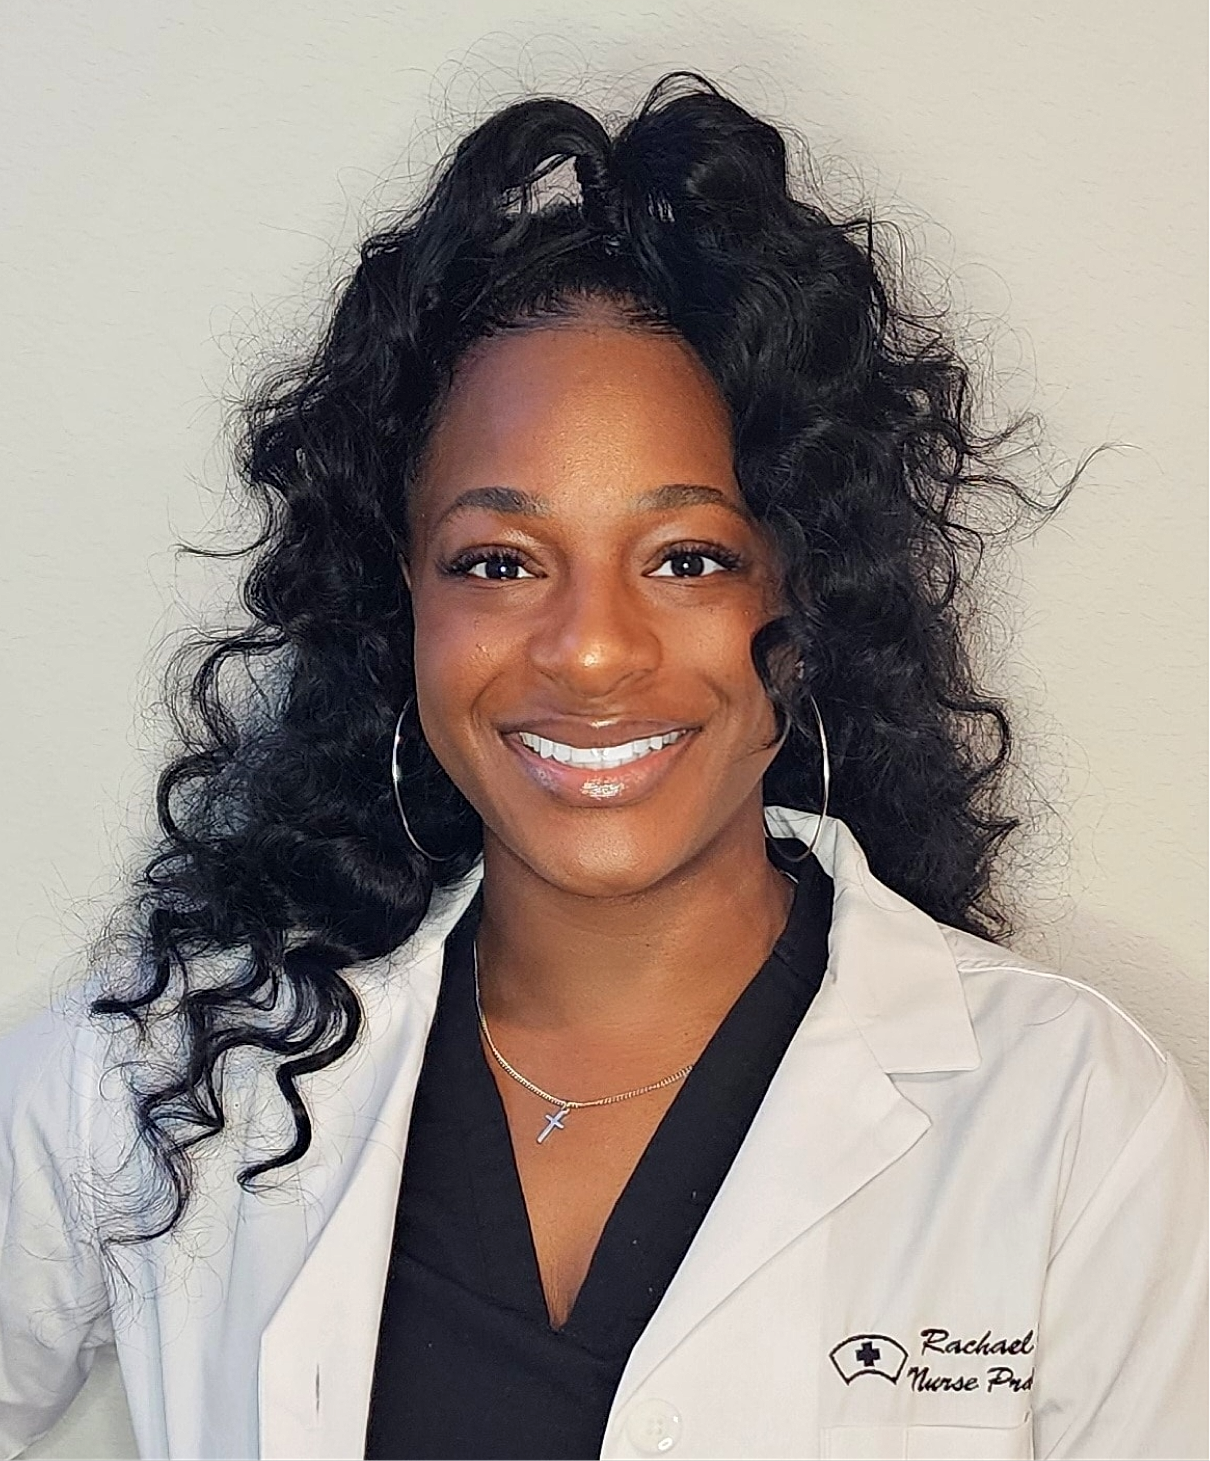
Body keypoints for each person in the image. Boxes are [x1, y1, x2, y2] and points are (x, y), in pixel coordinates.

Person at [0, 72, 1204, 1461]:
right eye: (498, 563)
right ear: (404, 607)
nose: (586, 651)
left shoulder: (1068, 1123)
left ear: (805, 609)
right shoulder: (169, 1069)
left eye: (686, 559)